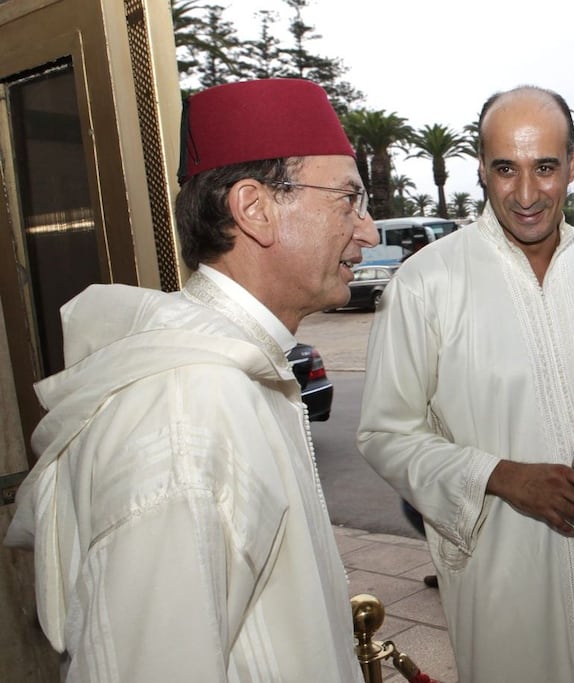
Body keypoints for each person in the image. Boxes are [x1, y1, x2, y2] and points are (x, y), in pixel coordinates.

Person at [3, 78, 375, 682]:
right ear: (254, 208)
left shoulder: (237, 372)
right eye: (348, 200)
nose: (369, 231)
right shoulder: (188, 409)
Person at [356, 85, 574, 682]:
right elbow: (385, 433)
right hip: (505, 586)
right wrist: (500, 477)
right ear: (481, 168)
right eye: (506, 168)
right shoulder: (425, 283)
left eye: (545, 168)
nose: (526, 194)